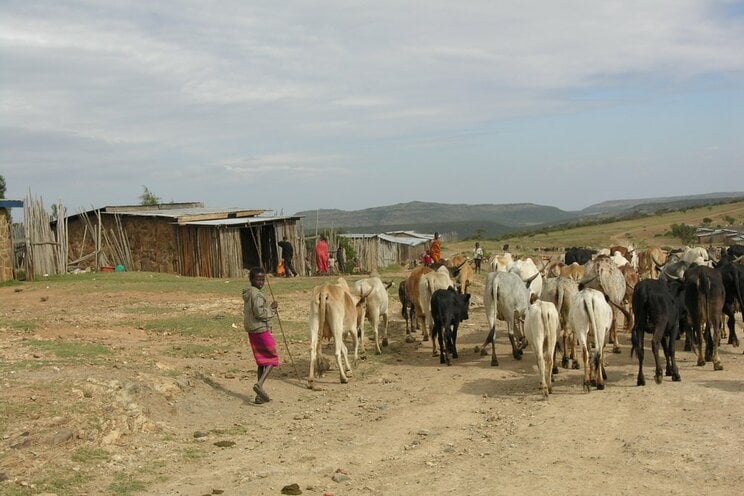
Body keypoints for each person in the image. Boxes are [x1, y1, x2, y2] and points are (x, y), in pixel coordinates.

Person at [242, 267, 279, 405]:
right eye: (258, 279)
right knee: (272, 359)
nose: (261, 282)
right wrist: (272, 309)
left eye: (263, 279)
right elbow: (259, 313)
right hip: (261, 330)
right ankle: (260, 384)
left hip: (252, 331)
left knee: (261, 361)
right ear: (251, 280)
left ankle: (259, 396)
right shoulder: (257, 295)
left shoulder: (248, 293)